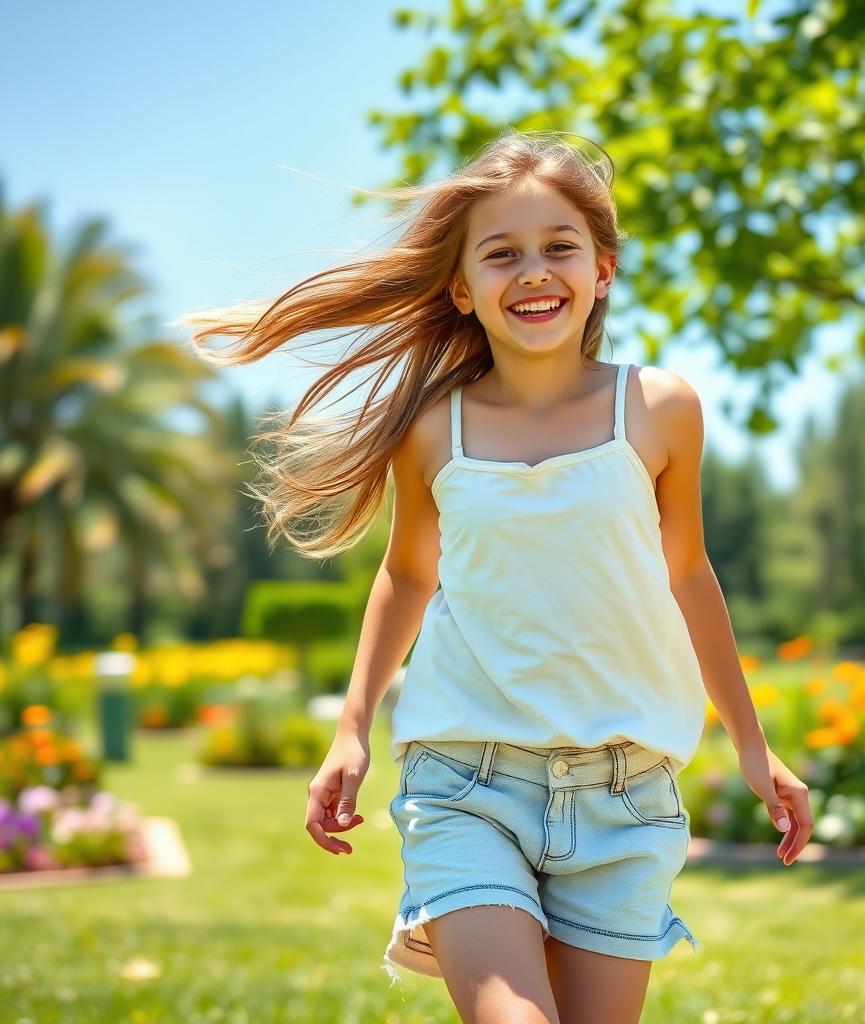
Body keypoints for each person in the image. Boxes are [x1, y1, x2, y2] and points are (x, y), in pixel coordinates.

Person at [180, 130, 814, 1024]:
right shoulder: (435, 429)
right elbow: (405, 575)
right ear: (461, 288)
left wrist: (754, 746)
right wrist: (351, 730)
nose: (533, 272)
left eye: (559, 247)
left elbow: (689, 576)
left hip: (625, 797)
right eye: (501, 253)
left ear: (603, 269)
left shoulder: (661, 409)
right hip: (466, 784)